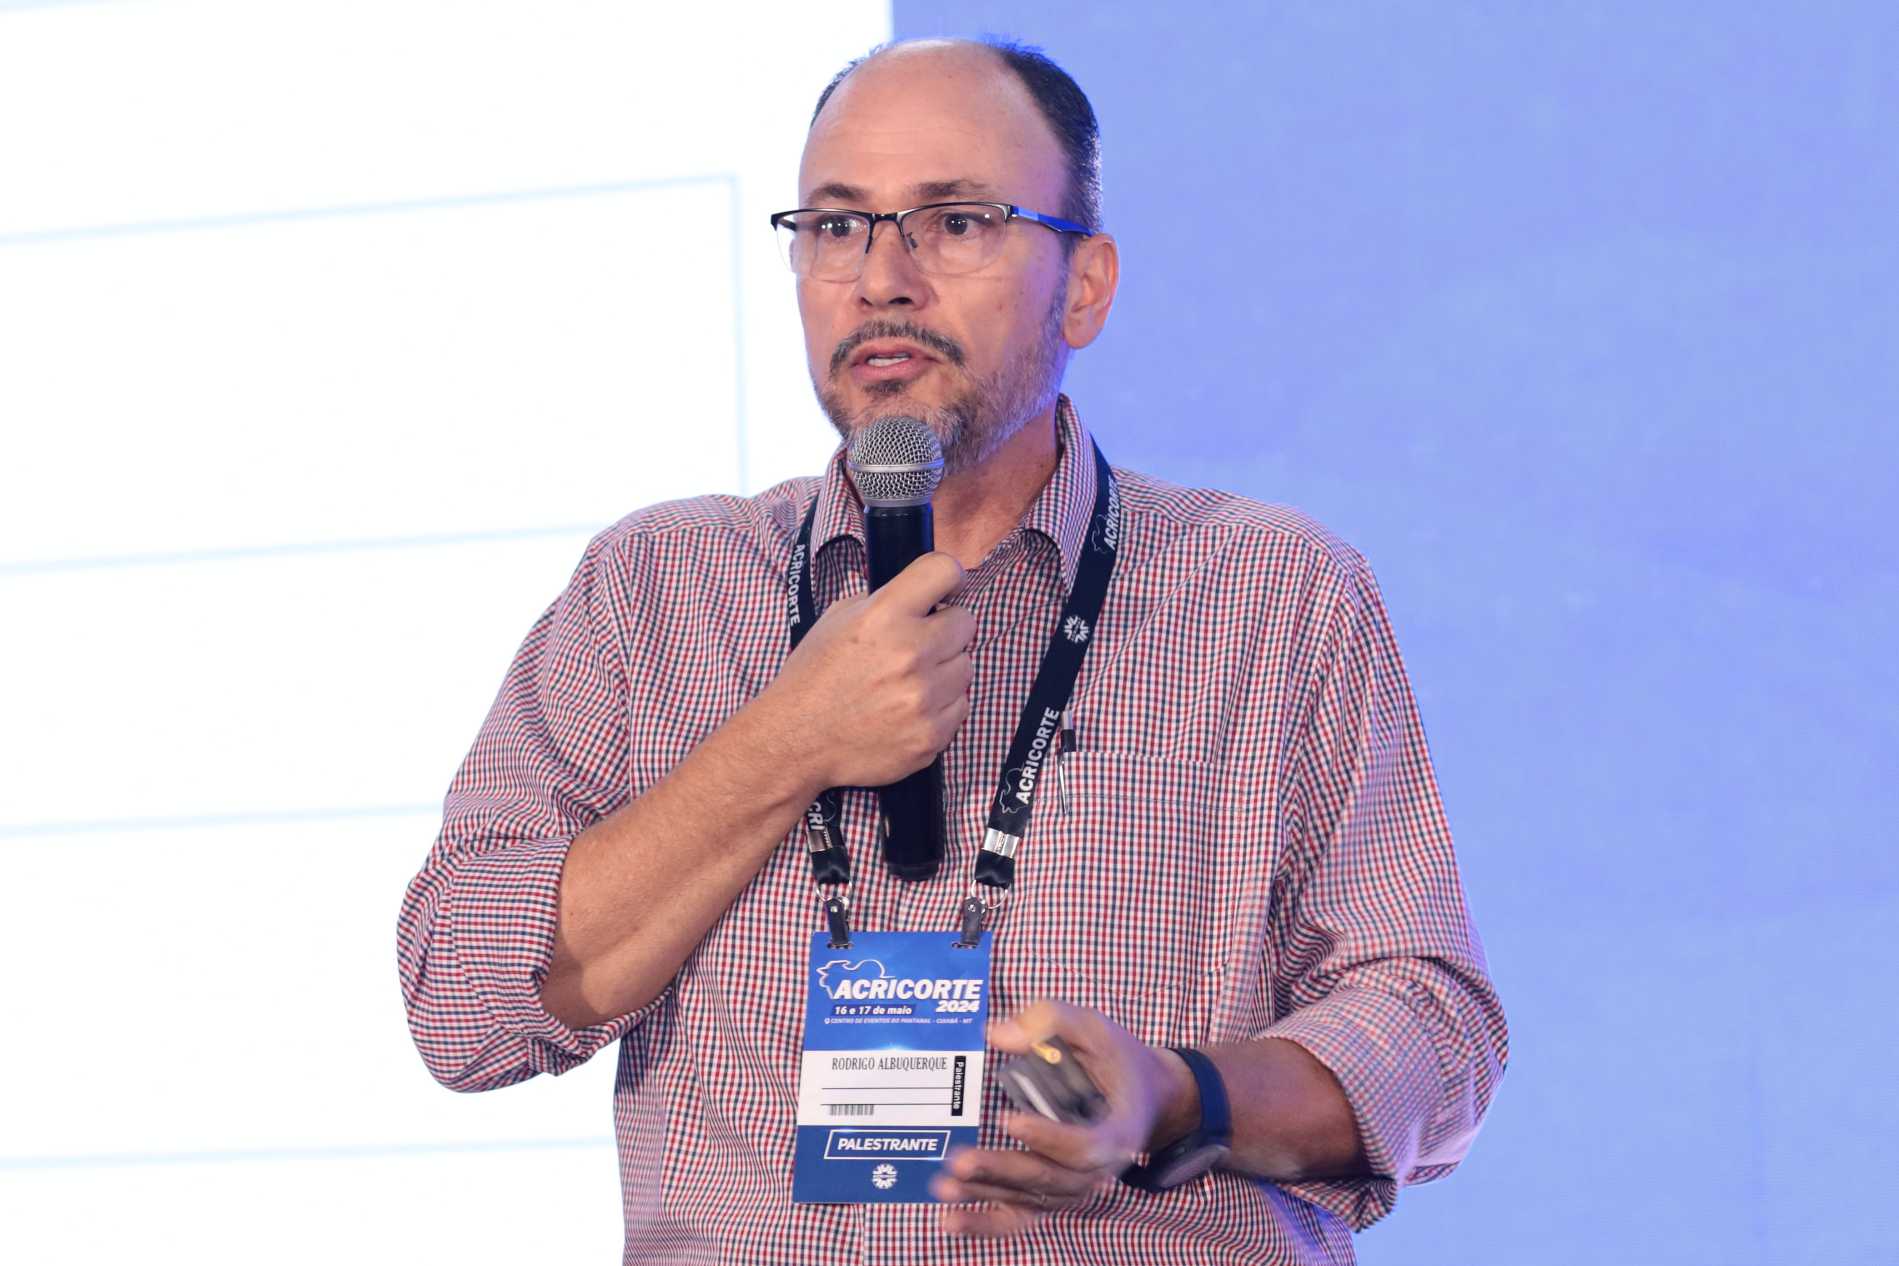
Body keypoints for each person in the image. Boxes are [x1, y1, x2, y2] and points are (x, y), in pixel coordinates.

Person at [397, 35, 1507, 1265]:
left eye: (956, 222)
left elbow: (1434, 1033)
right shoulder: (654, 590)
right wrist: (786, 742)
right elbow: (462, 1001)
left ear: (1085, 287)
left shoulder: (1271, 594)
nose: (882, 278)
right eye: (836, 227)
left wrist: (1173, 1095)